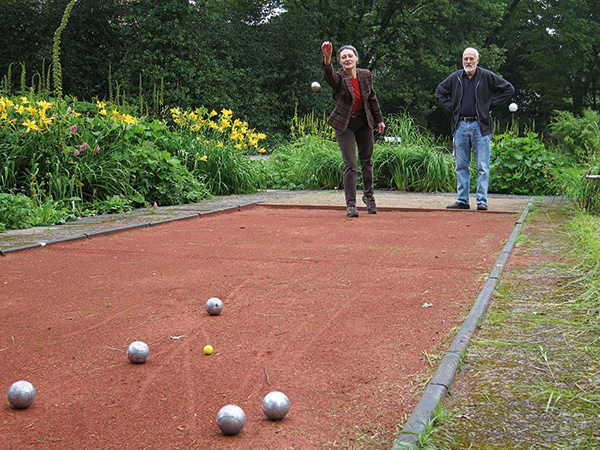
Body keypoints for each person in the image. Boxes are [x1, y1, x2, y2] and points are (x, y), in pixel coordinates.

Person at [436, 47, 514, 211]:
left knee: (482, 166)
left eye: (471, 59)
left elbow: (508, 89)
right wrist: (452, 107)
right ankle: (463, 200)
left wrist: (489, 106)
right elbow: (440, 91)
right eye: (465, 59)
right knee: (461, 166)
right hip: (460, 126)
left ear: (477, 60)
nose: (468, 62)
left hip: (481, 126)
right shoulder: (456, 77)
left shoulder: (486, 76)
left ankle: (481, 201)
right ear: (462, 61)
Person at [321, 41, 386, 218]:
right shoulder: (339, 78)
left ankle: (369, 197)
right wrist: (327, 58)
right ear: (340, 62)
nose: (347, 59)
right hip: (345, 124)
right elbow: (330, 77)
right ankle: (351, 204)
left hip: (364, 122)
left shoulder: (366, 75)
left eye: (350, 56)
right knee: (350, 164)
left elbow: (372, 98)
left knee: (367, 161)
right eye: (343, 57)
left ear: (356, 58)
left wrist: (379, 120)